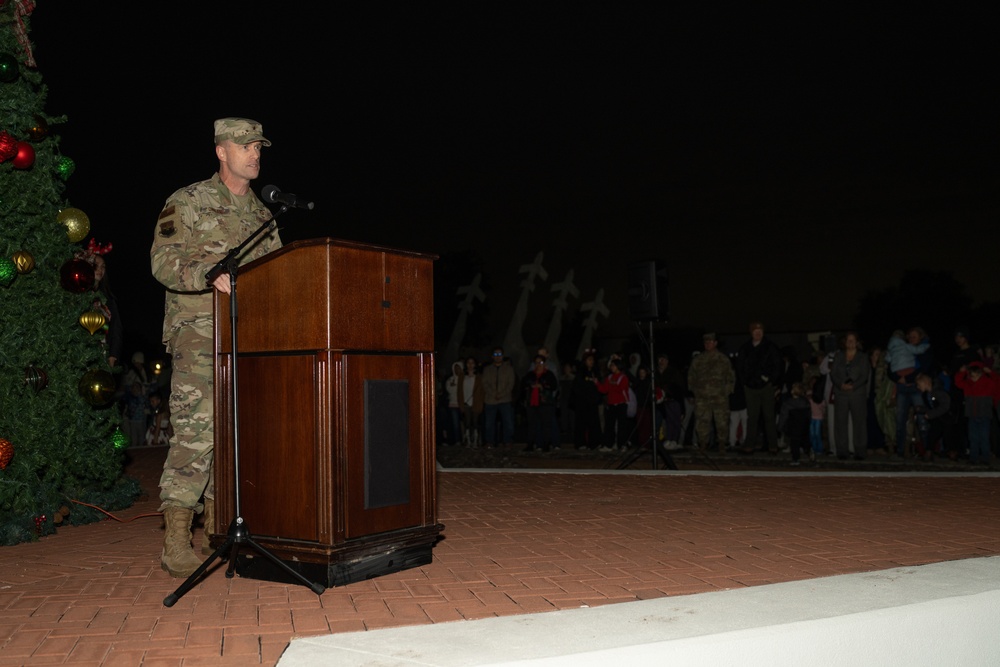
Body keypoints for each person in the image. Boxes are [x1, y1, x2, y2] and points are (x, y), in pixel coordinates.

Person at [150, 117, 282, 578]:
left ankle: (220, 528)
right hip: (200, 334)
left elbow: (279, 272)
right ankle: (176, 540)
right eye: (244, 145)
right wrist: (206, 273)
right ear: (221, 151)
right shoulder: (187, 200)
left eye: (258, 146)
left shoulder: (264, 215)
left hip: (250, 335)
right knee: (198, 432)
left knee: (239, 436)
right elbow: (163, 261)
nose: (254, 153)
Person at [734, 321, 783, 454]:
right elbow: (740, 367)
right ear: (751, 332)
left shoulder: (771, 347)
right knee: (752, 417)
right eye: (755, 331)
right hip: (750, 387)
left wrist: (771, 381)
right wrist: (745, 382)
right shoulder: (745, 348)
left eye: (760, 331)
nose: (758, 333)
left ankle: (773, 445)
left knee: (769, 416)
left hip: (766, 387)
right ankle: (749, 444)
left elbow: (777, 365)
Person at [886, 327, 931, 457]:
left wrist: (908, 378)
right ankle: (900, 450)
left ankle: (926, 450)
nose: (911, 339)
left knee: (922, 419)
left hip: (917, 388)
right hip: (902, 387)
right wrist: (898, 378)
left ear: (920, 337)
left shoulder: (923, 351)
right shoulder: (902, 348)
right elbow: (890, 368)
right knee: (900, 420)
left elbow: (925, 367)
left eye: (914, 336)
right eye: (909, 336)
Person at [687, 332, 736, 454]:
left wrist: (727, 391)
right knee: (702, 422)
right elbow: (691, 377)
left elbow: (731, 377)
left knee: (722, 422)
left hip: (720, 397)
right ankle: (703, 444)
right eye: (706, 342)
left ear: (715, 343)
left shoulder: (723, 359)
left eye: (710, 342)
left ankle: (722, 445)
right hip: (702, 397)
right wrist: (695, 391)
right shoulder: (698, 360)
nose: (708, 344)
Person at [830, 331, 870, 460]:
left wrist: (854, 385)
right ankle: (842, 451)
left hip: (857, 394)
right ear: (845, 342)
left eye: (853, 340)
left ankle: (860, 451)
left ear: (857, 342)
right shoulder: (838, 356)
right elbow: (833, 373)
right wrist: (841, 384)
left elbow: (864, 375)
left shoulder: (863, 357)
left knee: (859, 422)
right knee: (840, 422)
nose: (850, 342)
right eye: (848, 340)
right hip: (841, 393)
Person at [952, 361, 998, 465]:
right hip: (972, 415)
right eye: (972, 376)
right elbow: (958, 382)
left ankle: (985, 459)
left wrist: (990, 372)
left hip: (984, 415)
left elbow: (997, 381)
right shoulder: (968, 384)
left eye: (976, 376)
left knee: (984, 438)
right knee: (973, 438)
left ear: (981, 374)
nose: (974, 379)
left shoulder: (987, 383)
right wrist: (962, 372)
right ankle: (973, 458)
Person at [520, 353, 560, 452]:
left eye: (541, 362)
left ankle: (546, 445)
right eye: (536, 363)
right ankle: (530, 444)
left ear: (544, 363)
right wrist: (531, 385)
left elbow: (554, 386)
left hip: (545, 403)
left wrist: (542, 386)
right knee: (531, 424)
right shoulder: (530, 375)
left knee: (546, 424)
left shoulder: (549, 374)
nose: (538, 365)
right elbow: (523, 384)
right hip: (532, 403)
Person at [481, 346, 517, 447]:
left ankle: (507, 441)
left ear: (503, 356)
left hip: (505, 399)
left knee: (507, 422)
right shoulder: (487, 369)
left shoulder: (509, 369)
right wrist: (494, 394)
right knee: (489, 423)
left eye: (499, 354)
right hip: (490, 400)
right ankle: (490, 442)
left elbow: (511, 383)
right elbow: (485, 383)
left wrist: (501, 394)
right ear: (492, 356)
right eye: (495, 355)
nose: (498, 357)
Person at [595, 356, 630, 452]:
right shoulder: (609, 377)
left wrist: (613, 386)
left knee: (622, 426)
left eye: (613, 365)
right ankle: (608, 445)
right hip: (611, 404)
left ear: (618, 366)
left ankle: (622, 445)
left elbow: (621, 389)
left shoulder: (623, 377)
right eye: (611, 365)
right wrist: (597, 383)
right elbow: (604, 389)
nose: (611, 367)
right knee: (609, 425)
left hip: (621, 404)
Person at [913, 372, 952, 460]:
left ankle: (950, 453)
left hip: (946, 418)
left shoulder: (939, 392)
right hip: (936, 418)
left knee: (947, 436)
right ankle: (929, 453)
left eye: (919, 385)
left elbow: (945, 406)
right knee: (932, 435)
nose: (918, 387)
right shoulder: (926, 394)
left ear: (925, 383)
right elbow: (931, 406)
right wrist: (921, 409)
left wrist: (931, 414)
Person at [571, 350, 604, 450]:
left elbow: (599, 387)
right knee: (581, 423)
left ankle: (594, 443)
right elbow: (577, 388)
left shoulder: (595, 372)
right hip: (582, 403)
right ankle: (581, 443)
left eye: (592, 360)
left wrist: (596, 398)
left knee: (594, 423)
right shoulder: (581, 373)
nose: (591, 362)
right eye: (589, 360)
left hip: (593, 403)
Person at [653, 353, 686, 449]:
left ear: (667, 361)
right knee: (664, 422)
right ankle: (666, 439)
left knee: (674, 421)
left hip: (673, 400)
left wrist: (667, 392)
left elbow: (679, 388)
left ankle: (674, 440)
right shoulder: (655, 372)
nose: (661, 362)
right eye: (659, 359)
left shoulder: (674, 372)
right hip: (659, 402)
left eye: (663, 359)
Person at [778, 381, 810, 466]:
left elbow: (783, 416)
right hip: (803, 426)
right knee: (804, 440)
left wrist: (780, 427)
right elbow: (809, 414)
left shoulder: (788, 403)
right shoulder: (805, 402)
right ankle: (808, 451)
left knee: (794, 443)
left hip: (793, 427)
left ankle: (796, 459)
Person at [459, 356, 485, 447]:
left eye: (472, 363)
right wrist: (461, 403)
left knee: (475, 422)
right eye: (468, 363)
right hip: (465, 403)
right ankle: (468, 440)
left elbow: (482, 391)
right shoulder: (462, 376)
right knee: (467, 422)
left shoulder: (479, 377)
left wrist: (481, 403)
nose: (470, 365)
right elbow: (459, 391)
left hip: (476, 403)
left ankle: (476, 440)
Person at [444, 361, 464, 446]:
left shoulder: (465, 379)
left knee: (465, 423)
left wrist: (455, 387)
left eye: (458, 368)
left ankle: (466, 439)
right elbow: (449, 390)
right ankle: (457, 440)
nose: (457, 370)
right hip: (453, 404)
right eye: (455, 368)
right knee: (455, 423)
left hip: (464, 404)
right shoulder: (450, 379)